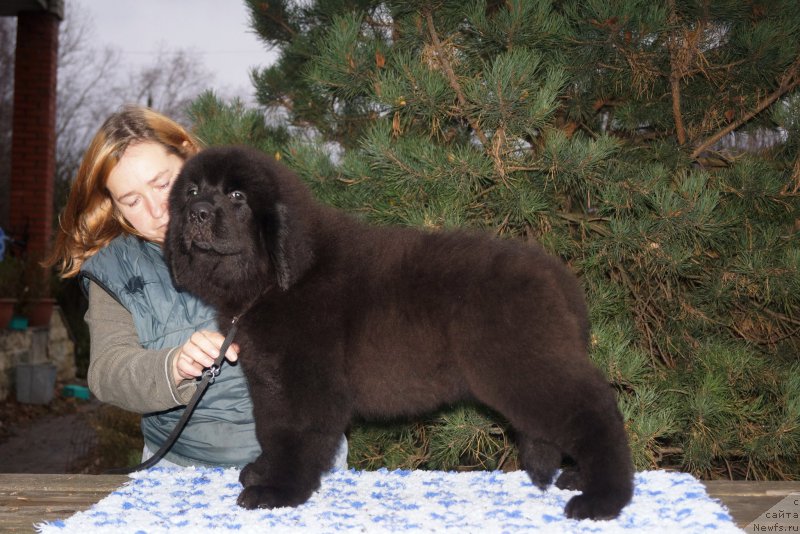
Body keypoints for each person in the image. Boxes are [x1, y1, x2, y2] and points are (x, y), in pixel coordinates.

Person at [47, 105, 347, 469]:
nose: (158, 209)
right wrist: (173, 366)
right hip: (179, 469)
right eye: (132, 200)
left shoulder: (268, 221)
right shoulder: (117, 270)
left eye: (162, 183)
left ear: (188, 155)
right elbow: (107, 372)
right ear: (115, 208)